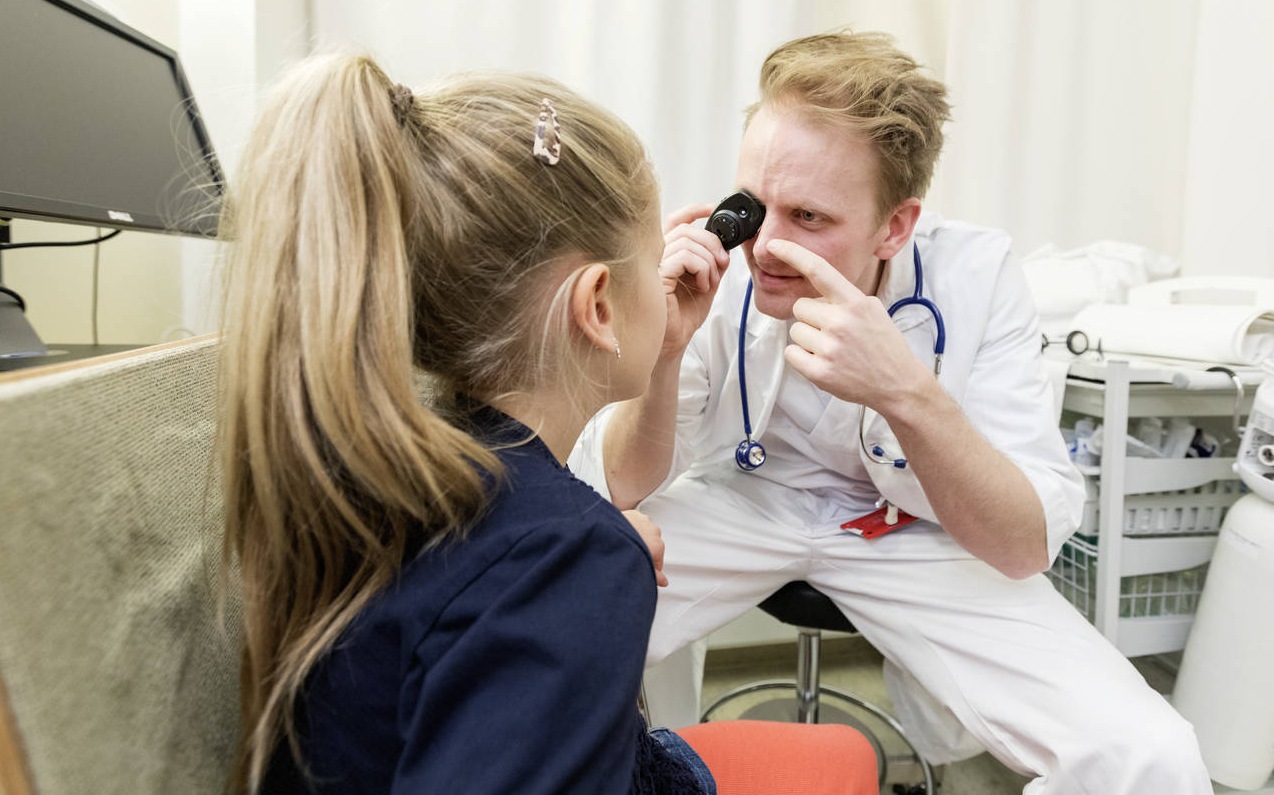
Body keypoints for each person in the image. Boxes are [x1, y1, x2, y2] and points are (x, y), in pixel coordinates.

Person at [215, 53, 876, 795]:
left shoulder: (404, 455)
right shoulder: (569, 561)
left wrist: (591, 541)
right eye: (652, 258)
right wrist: (590, 566)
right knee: (848, 762)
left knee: (844, 751)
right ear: (597, 306)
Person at [572, 30, 1213, 794]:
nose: (767, 245)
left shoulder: (976, 276)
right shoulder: (714, 268)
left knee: (1149, 756)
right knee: (549, 628)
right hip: (746, 500)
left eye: (810, 217)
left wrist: (904, 392)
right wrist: (664, 350)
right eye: (756, 205)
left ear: (896, 225)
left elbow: (1022, 545)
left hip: (910, 528)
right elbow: (621, 486)